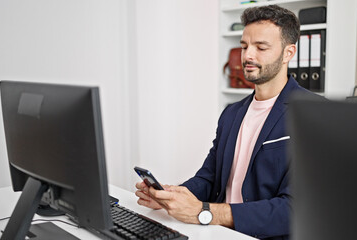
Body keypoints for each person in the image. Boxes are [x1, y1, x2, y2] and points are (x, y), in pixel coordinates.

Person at [135, 4, 316, 240]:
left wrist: (205, 212)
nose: (248, 55)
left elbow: (294, 210)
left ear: (288, 53)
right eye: (244, 46)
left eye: (261, 47)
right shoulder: (231, 113)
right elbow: (209, 178)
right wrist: (173, 197)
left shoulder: (313, 114)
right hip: (216, 233)